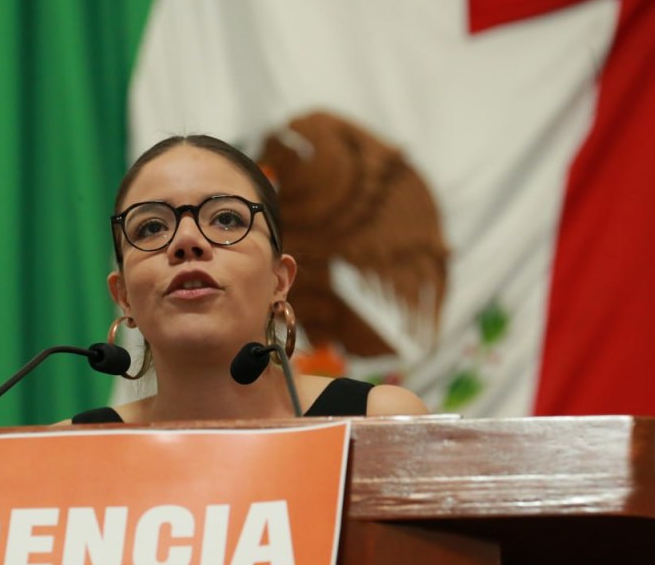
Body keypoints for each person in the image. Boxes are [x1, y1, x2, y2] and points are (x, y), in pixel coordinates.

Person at [67, 134, 428, 424]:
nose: (187, 241)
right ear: (123, 296)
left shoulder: (378, 419)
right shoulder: (67, 449)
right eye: (151, 227)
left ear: (279, 281)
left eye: (226, 219)